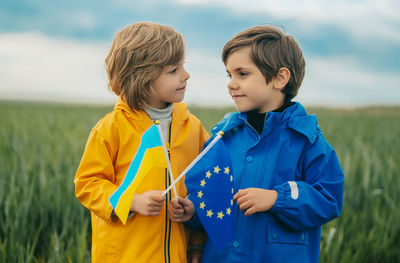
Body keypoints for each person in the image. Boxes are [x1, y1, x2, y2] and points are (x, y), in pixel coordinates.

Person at [169, 25, 344, 263]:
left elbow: (328, 198)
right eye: (229, 75)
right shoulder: (223, 137)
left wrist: (276, 198)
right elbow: (212, 195)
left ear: (279, 78)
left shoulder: (307, 140)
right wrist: (193, 210)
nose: (231, 83)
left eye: (242, 74)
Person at [74, 22, 209, 263]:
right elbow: (88, 184)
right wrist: (132, 201)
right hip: (125, 256)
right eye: (173, 70)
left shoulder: (193, 128)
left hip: (177, 256)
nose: (186, 75)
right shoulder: (111, 128)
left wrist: (196, 241)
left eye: (183, 66)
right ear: (143, 78)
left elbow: (206, 187)